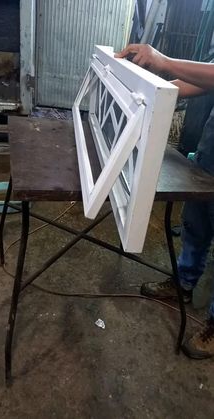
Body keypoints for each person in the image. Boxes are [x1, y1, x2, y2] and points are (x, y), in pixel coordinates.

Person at [115, 44, 214, 359]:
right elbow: (205, 78)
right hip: (212, 154)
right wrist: (155, 90)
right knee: (195, 224)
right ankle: (183, 282)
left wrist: (165, 61)